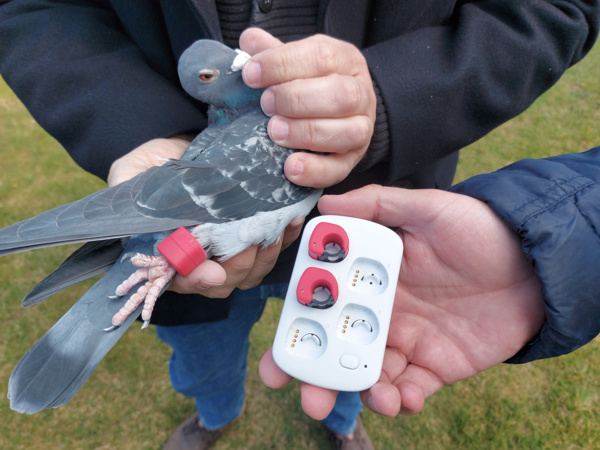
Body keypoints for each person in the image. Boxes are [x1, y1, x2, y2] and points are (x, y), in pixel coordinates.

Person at [0, 1, 598, 449]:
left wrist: (389, 98)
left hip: (360, 235)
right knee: (201, 338)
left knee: (352, 343)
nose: (241, 64)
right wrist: (135, 130)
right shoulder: (259, 147)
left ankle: (341, 422)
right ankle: (216, 413)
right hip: (189, 233)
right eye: (222, 72)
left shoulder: (265, 137)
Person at [260, 147, 600, 420]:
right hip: (251, 270)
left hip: (401, 193)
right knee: (363, 363)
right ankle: (218, 416)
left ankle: (344, 427)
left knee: (367, 371)